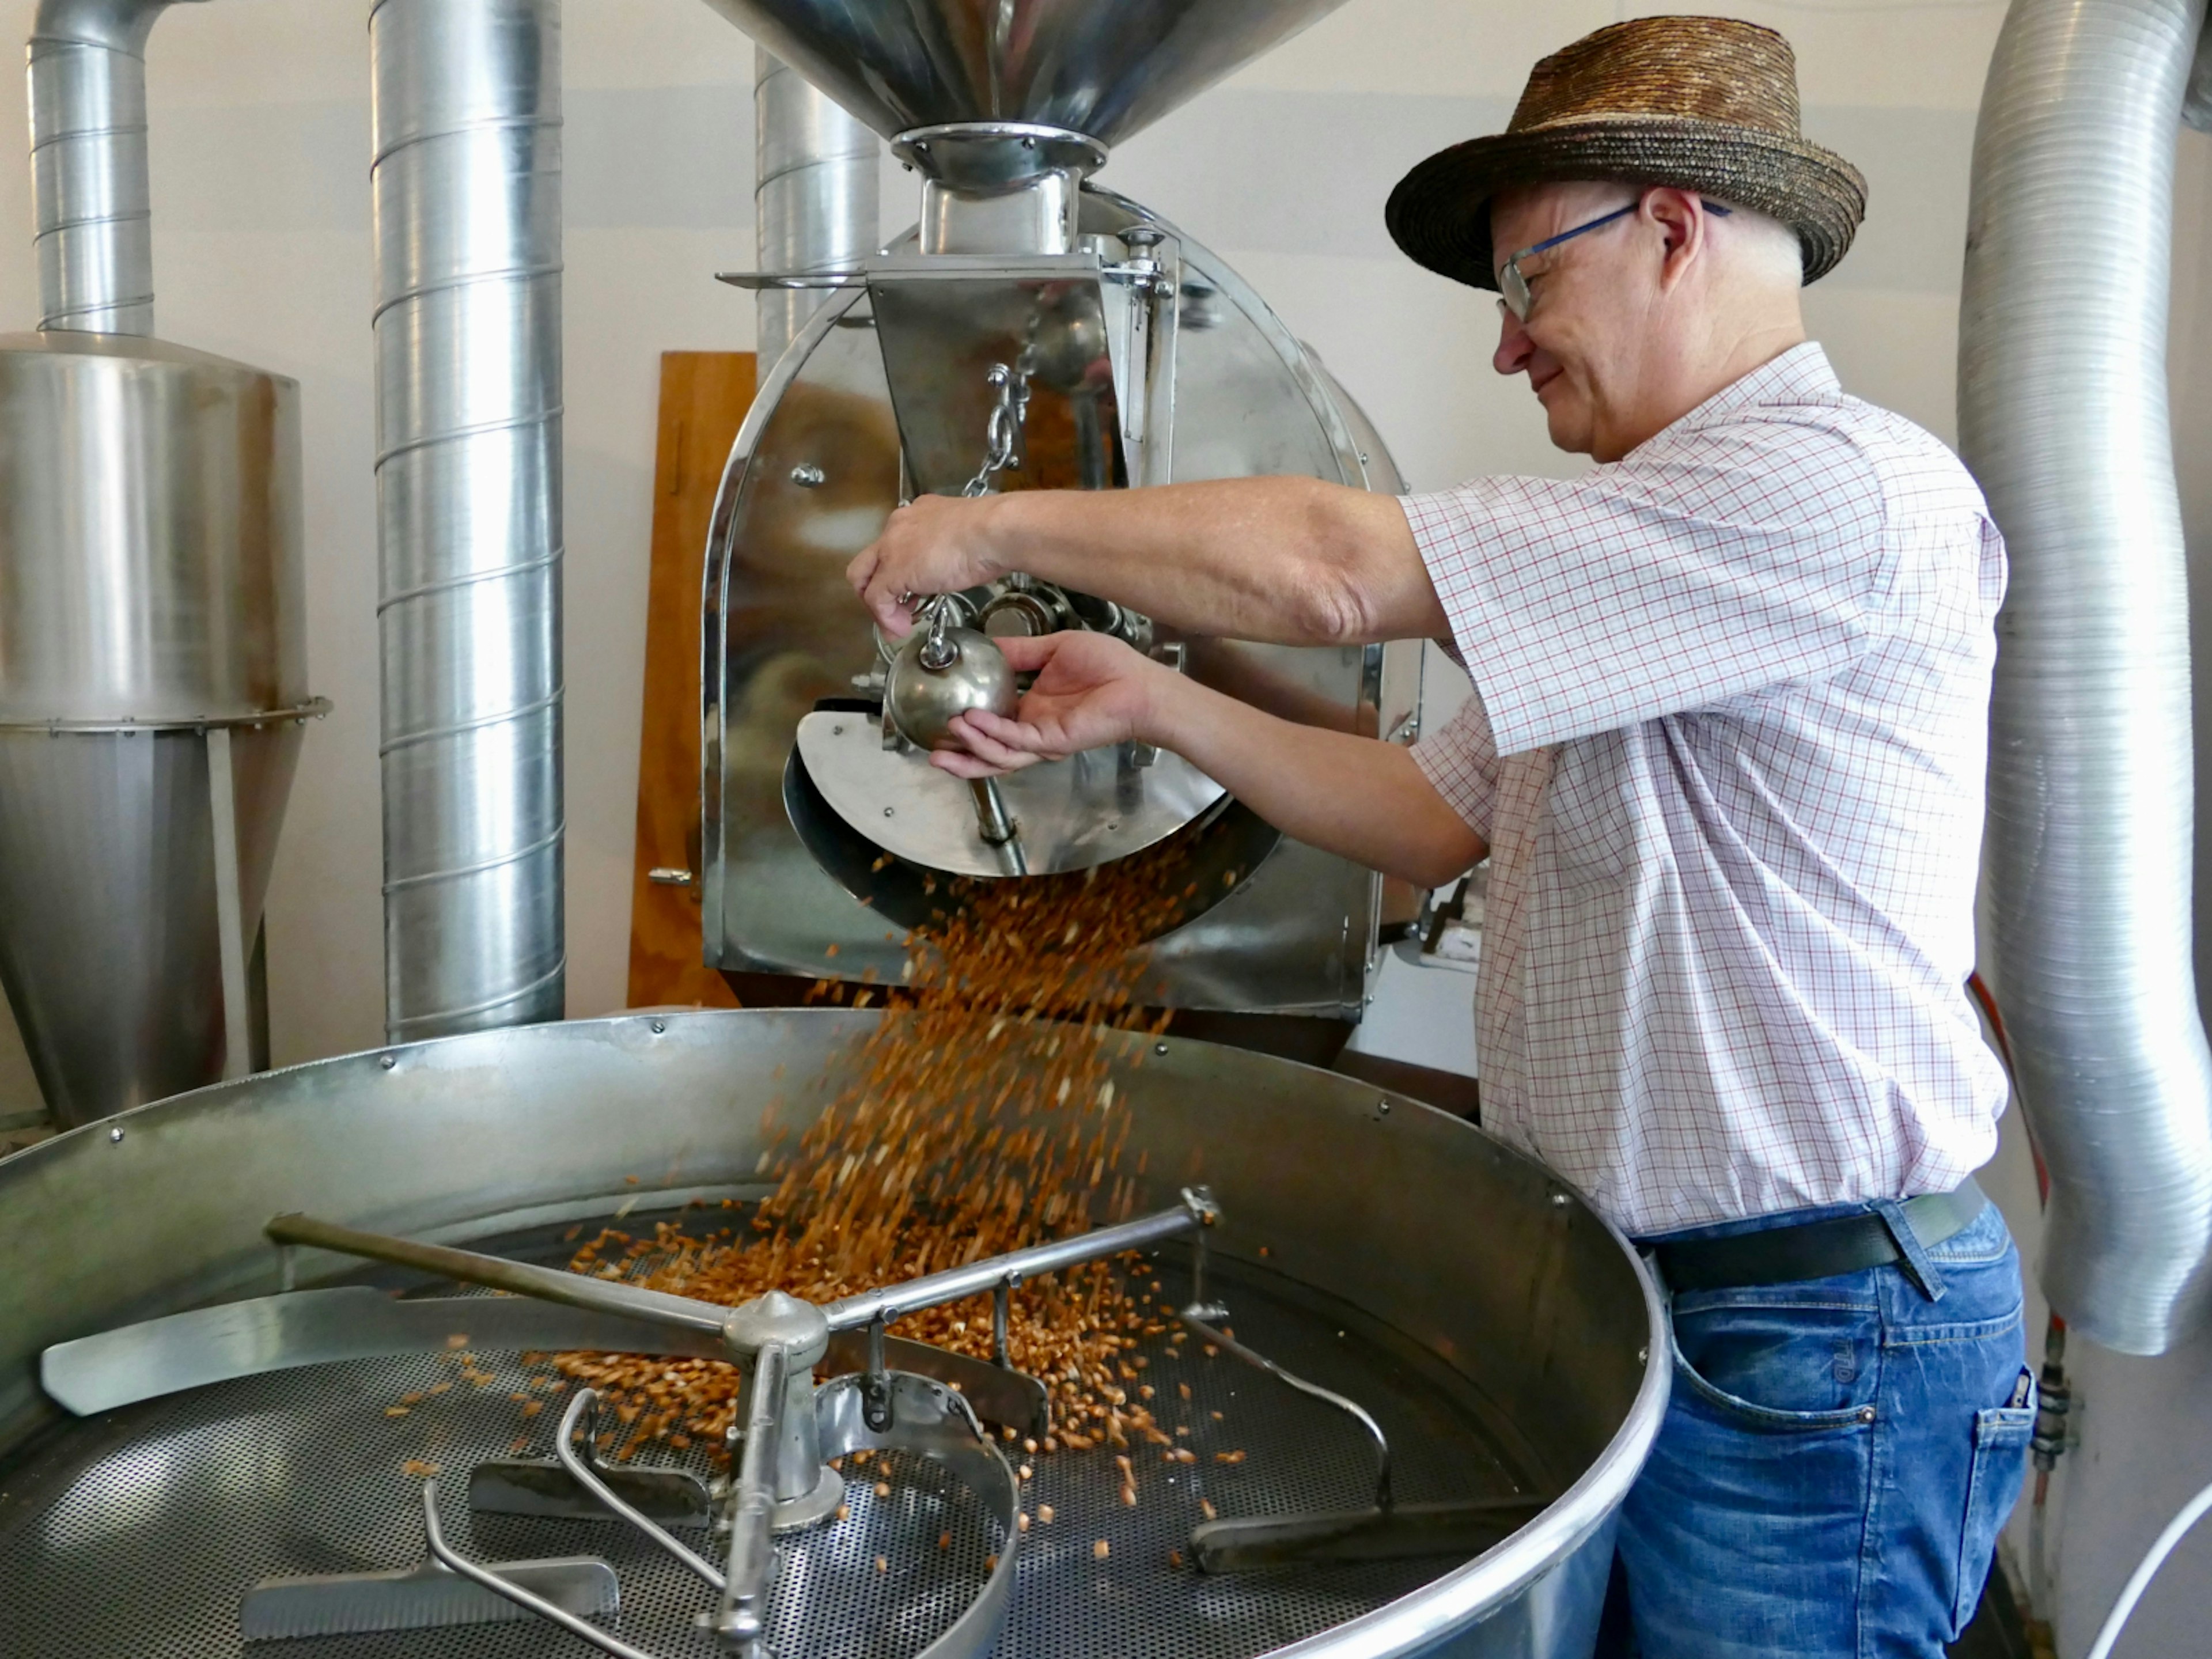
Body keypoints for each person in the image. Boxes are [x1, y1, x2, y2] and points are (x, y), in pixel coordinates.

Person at [846, 16, 2031, 1657]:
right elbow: (1424, 814)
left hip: (1812, 1331)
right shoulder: (1646, 551)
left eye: (1527, 283)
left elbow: (1335, 570)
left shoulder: (1828, 493)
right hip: (1664, 1304)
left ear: (1670, 230)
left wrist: (984, 521)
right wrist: (1152, 705)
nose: (1508, 346)